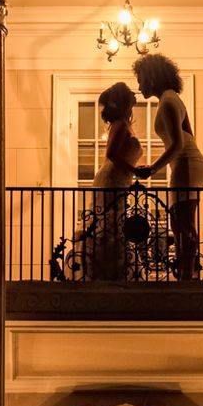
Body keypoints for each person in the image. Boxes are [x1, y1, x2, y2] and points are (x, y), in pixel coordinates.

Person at [132, 53, 203, 280]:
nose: (139, 85)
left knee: (181, 222)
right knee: (181, 221)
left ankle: (187, 275)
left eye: (141, 79)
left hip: (186, 163)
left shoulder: (167, 101)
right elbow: (189, 136)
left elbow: (177, 144)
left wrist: (152, 169)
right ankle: (188, 272)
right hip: (188, 163)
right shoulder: (172, 98)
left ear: (152, 77)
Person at [74, 82, 140, 280]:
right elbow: (111, 154)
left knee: (113, 226)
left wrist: (133, 171)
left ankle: (112, 271)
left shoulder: (122, 124)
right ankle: (105, 273)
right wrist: (134, 170)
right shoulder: (120, 124)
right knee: (109, 227)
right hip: (111, 180)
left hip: (117, 180)